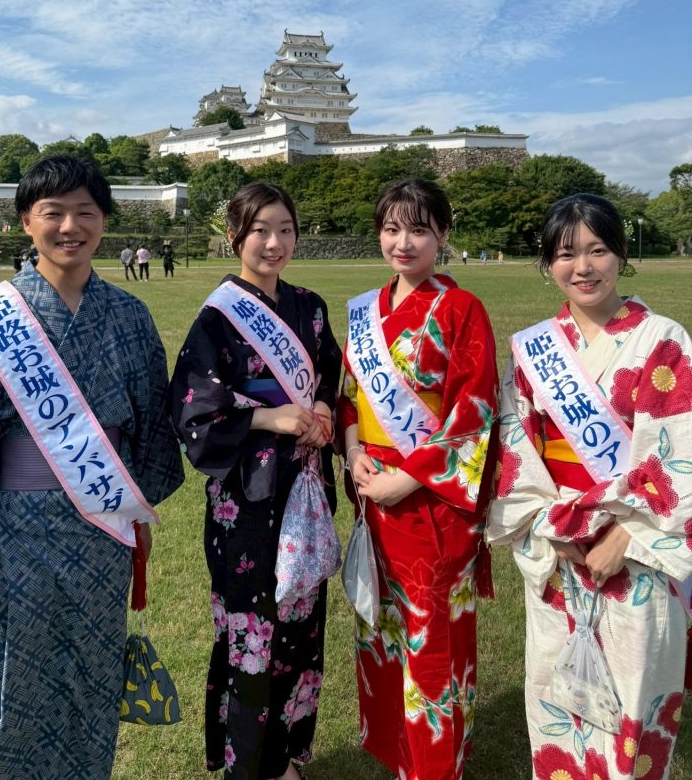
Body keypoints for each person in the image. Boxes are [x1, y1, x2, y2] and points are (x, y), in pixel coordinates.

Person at [0, 155, 184, 780]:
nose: (71, 226)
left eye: (85, 213)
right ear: (26, 222)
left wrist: (130, 505)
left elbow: (153, 428)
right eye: (53, 213)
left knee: (91, 675)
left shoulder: (129, 316)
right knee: (11, 673)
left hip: (102, 534)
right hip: (16, 534)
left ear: (104, 221)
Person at [487, 193, 692, 780]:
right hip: (560, 549)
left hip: (636, 552)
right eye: (566, 253)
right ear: (548, 263)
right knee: (558, 698)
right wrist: (555, 530)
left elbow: (680, 449)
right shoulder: (534, 351)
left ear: (621, 254)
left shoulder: (663, 340)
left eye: (598, 249)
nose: (583, 267)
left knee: (632, 700)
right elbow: (515, 447)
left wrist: (623, 535)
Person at [169, 182, 342, 780]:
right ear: (234, 237)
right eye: (259, 230)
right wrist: (268, 416)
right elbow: (193, 410)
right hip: (246, 501)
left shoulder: (311, 306)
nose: (274, 243)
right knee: (251, 630)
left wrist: (320, 408)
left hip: (303, 491)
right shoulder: (217, 318)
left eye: (285, 230)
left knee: (300, 621)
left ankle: (286, 756)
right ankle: (249, 764)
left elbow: (329, 377)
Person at [338, 178, 499, 780]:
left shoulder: (462, 310)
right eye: (391, 228)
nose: (403, 243)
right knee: (380, 626)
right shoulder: (365, 310)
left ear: (443, 235)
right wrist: (354, 451)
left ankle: (434, 763)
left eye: (418, 229)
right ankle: (394, 750)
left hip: (432, 503)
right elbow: (351, 395)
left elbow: (474, 409)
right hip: (373, 493)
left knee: (431, 637)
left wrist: (407, 479)